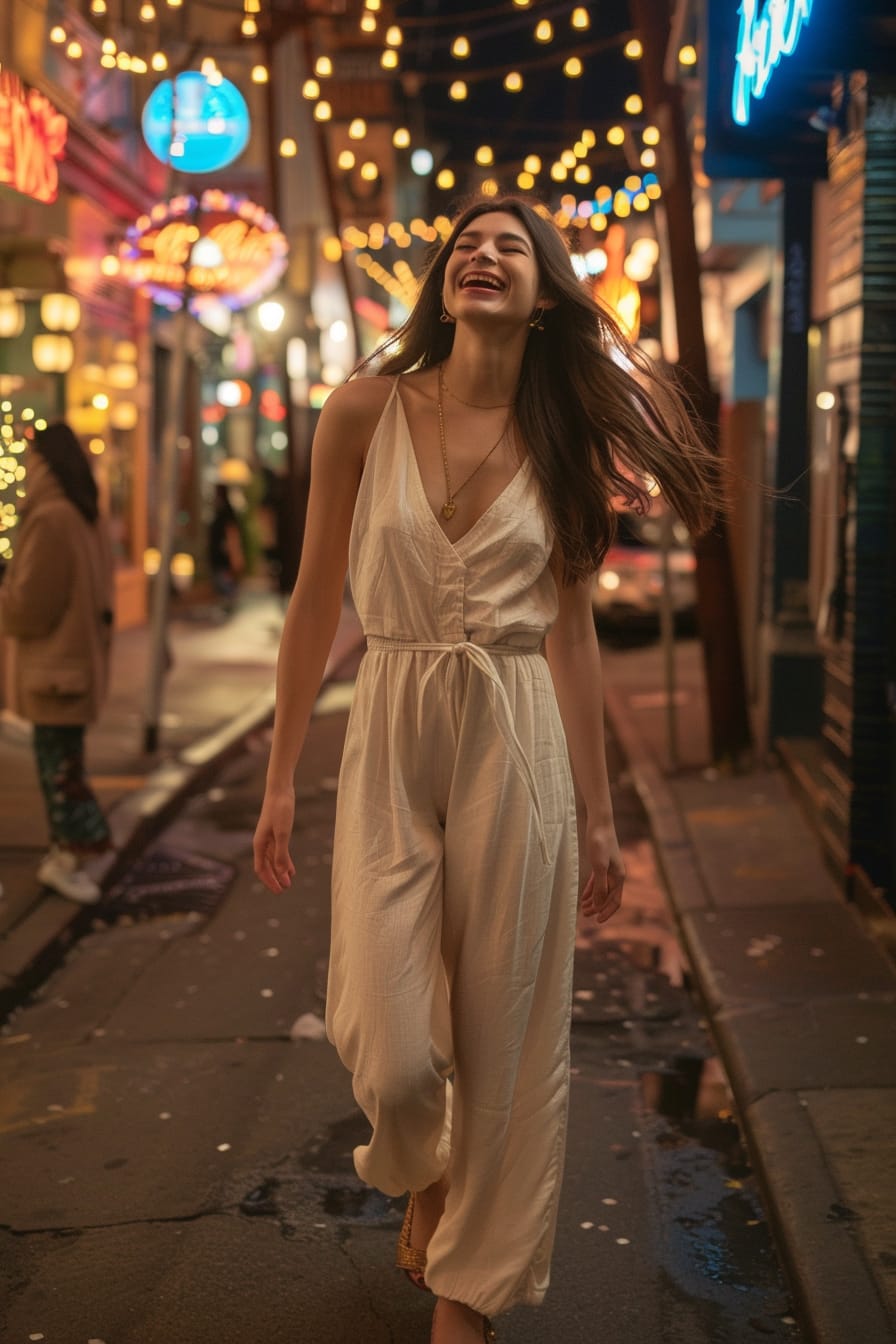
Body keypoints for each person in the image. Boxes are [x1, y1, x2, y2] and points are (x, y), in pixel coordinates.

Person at [254, 197, 720, 1342]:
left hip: (516, 729)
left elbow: (568, 634)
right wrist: (277, 775)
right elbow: (316, 596)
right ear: (443, 279)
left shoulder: (561, 440)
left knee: (508, 1030)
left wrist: (601, 819)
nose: (480, 251)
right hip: (394, 717)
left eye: (510, 246)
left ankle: (468, 1296)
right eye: (464, 240)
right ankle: (424, 1163)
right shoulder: (361, 410)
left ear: (544, 294)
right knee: (396, 1047)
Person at [0, 421, 114, 904]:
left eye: (31, 459)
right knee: (65, 764)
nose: (25, 468)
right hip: (77, 665)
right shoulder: (84, 513)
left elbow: (30, 608)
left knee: (59, 771)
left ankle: (71, 857)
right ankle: (68, 853)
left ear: (46, 463)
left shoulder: (50, 518)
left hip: (55, 671)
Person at [207, 481, 245, 612]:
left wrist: (234, 555)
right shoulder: (221, 511)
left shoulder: (226, 513)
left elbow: (232, 536)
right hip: (219, 557)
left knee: (224, 582)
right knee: (222, 582)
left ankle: (229, 604)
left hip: (224, 557)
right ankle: (227, 604)